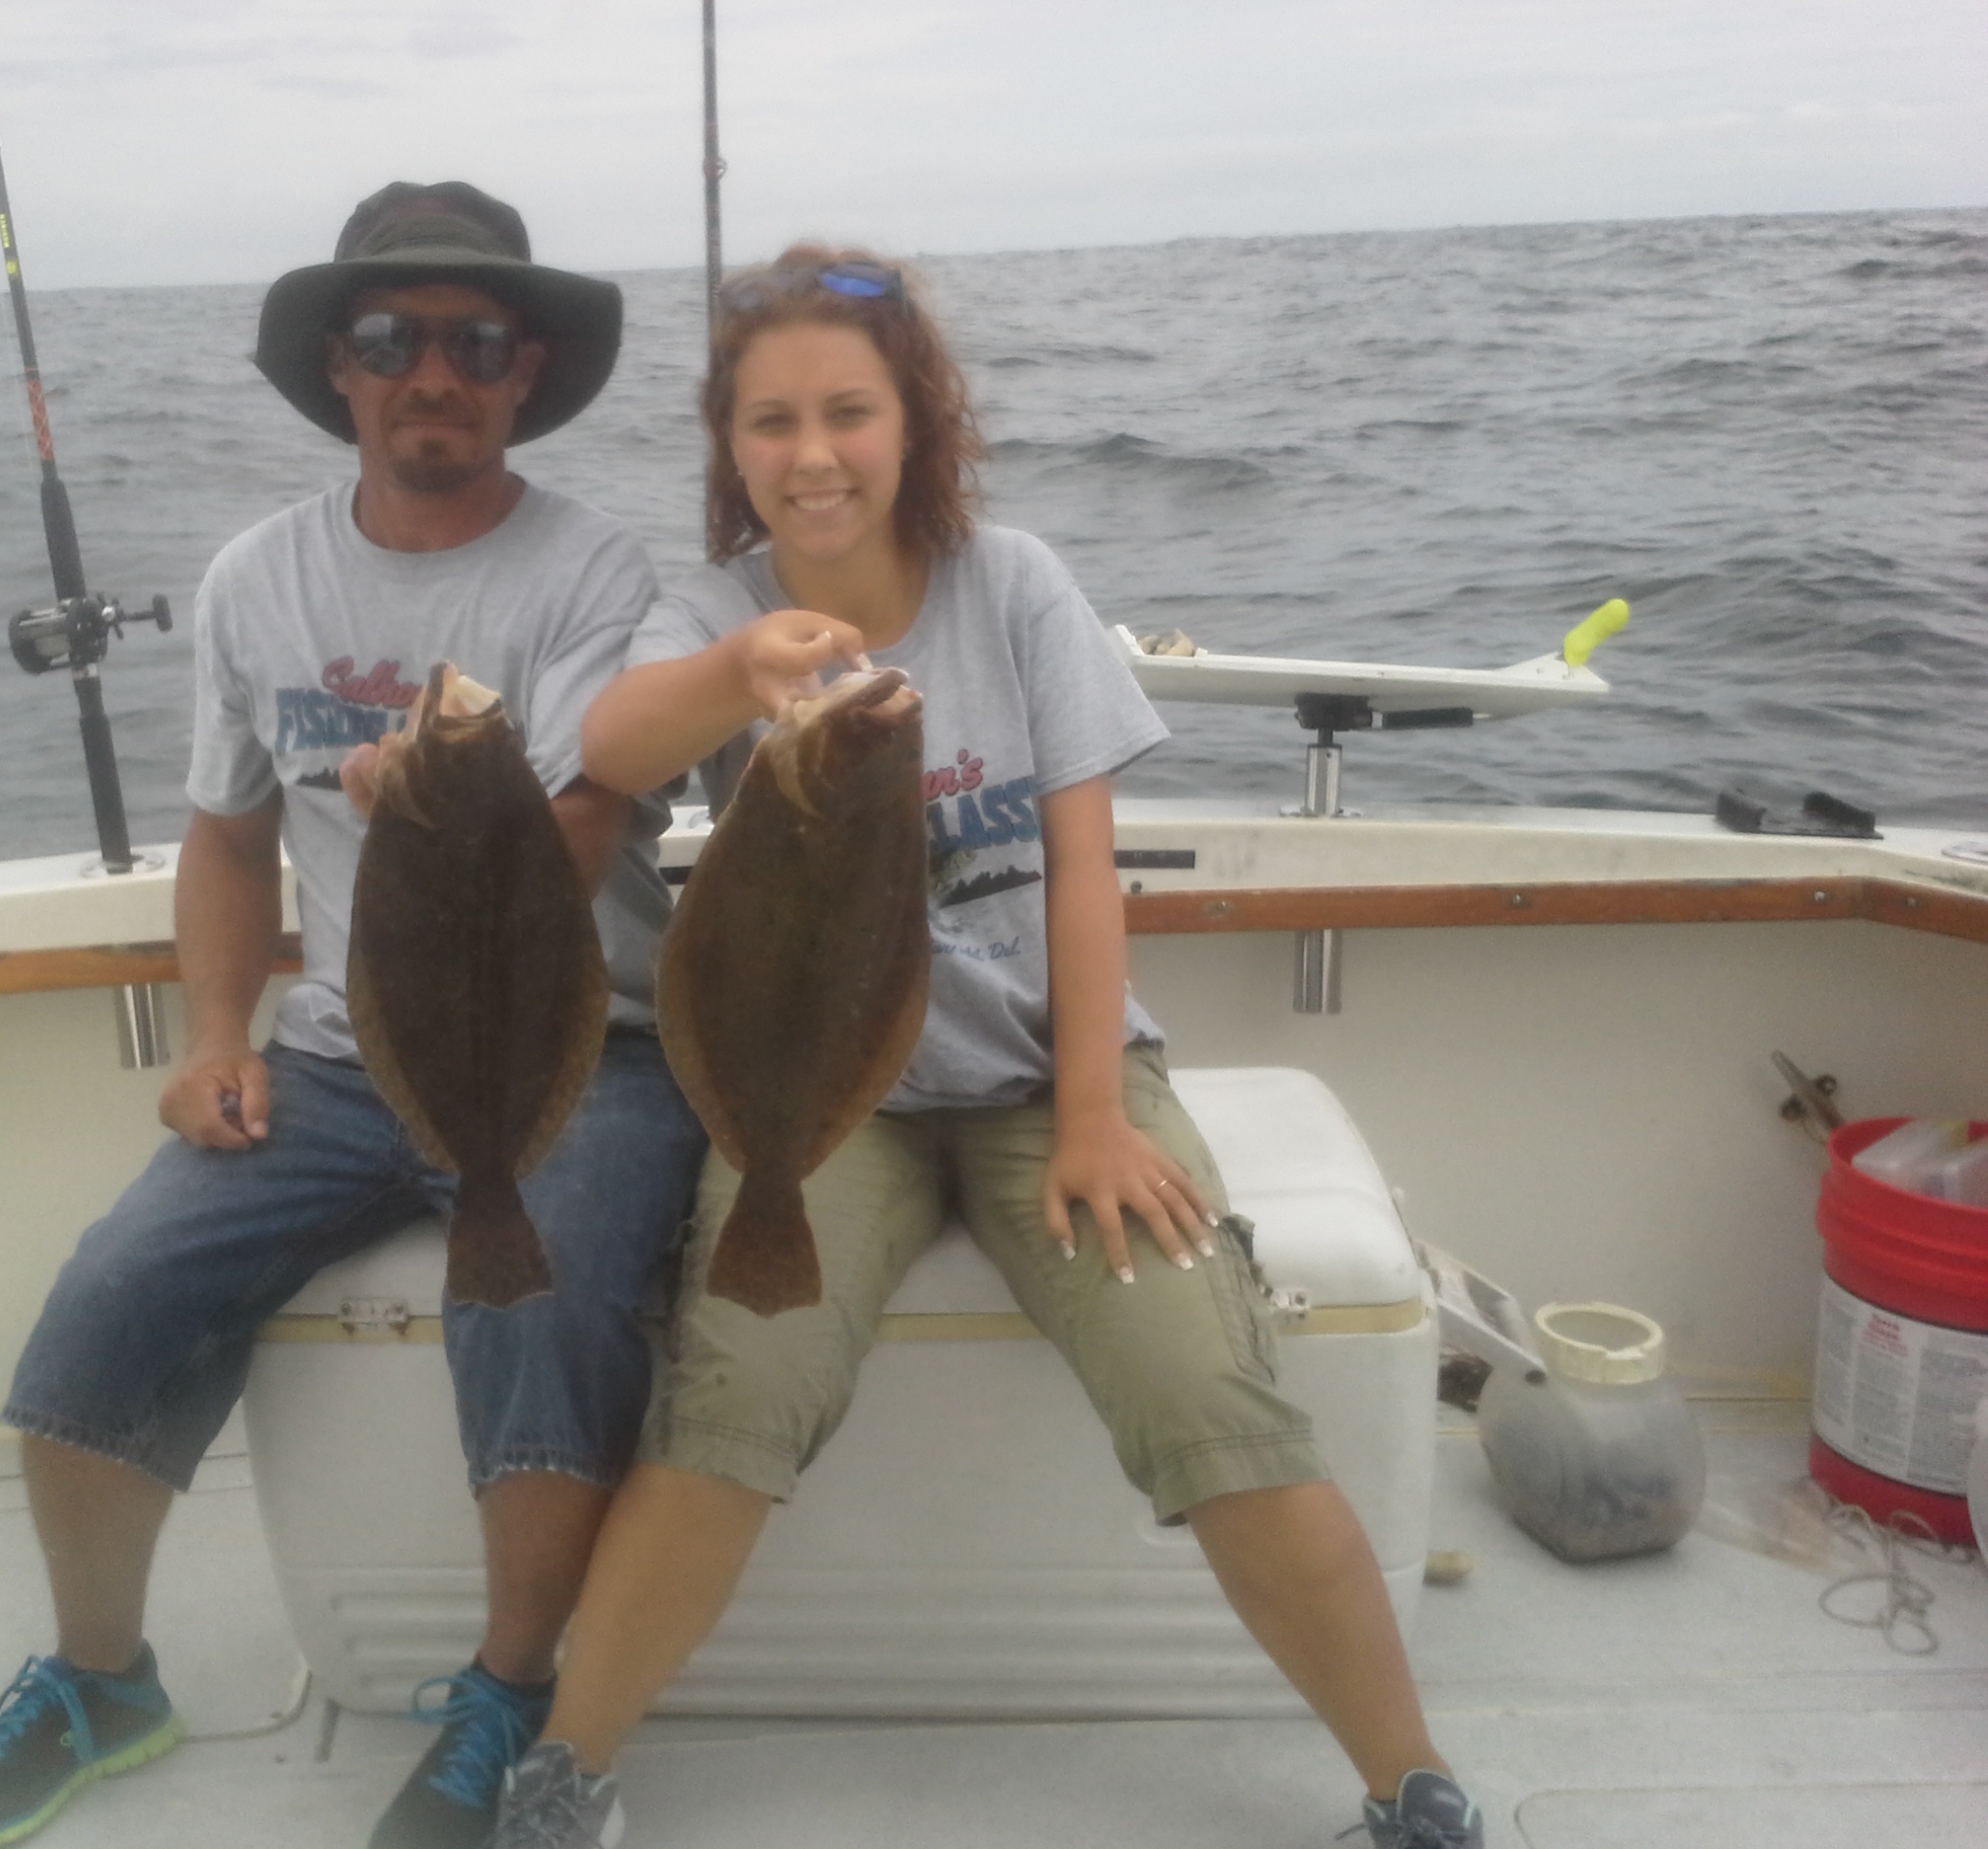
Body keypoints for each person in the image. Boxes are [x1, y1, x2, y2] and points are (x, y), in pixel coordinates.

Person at [480, 247, 1483, 1849]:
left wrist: (1091, 1113)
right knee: (737, 1395)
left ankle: (1412, 1785)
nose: (813, 454)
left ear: (917, 420)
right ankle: (567, 1770)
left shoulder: (1012, 586)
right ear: (729, 444)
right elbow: (609, 742)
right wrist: (741, 673)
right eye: (770, 421)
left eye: (850, 412)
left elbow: (1084, 872)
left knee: (1202, 1385)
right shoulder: (716, 613)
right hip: (818, 1107)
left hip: (1044, 1081)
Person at [0, 183, 706, 1849]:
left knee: (535, 1298)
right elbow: (226, 836)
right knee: (116, 1287)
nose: (432, 371)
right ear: (338, 366)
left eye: (474, 340)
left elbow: (581, 826)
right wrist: (213, 1038)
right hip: (341, 1056)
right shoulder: (256, 577)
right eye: (391, 337)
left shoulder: (594, 571)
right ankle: (101, 1676)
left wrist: (451, 800)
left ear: (525, 369)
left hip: (579, 1049)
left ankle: (510, 1692)